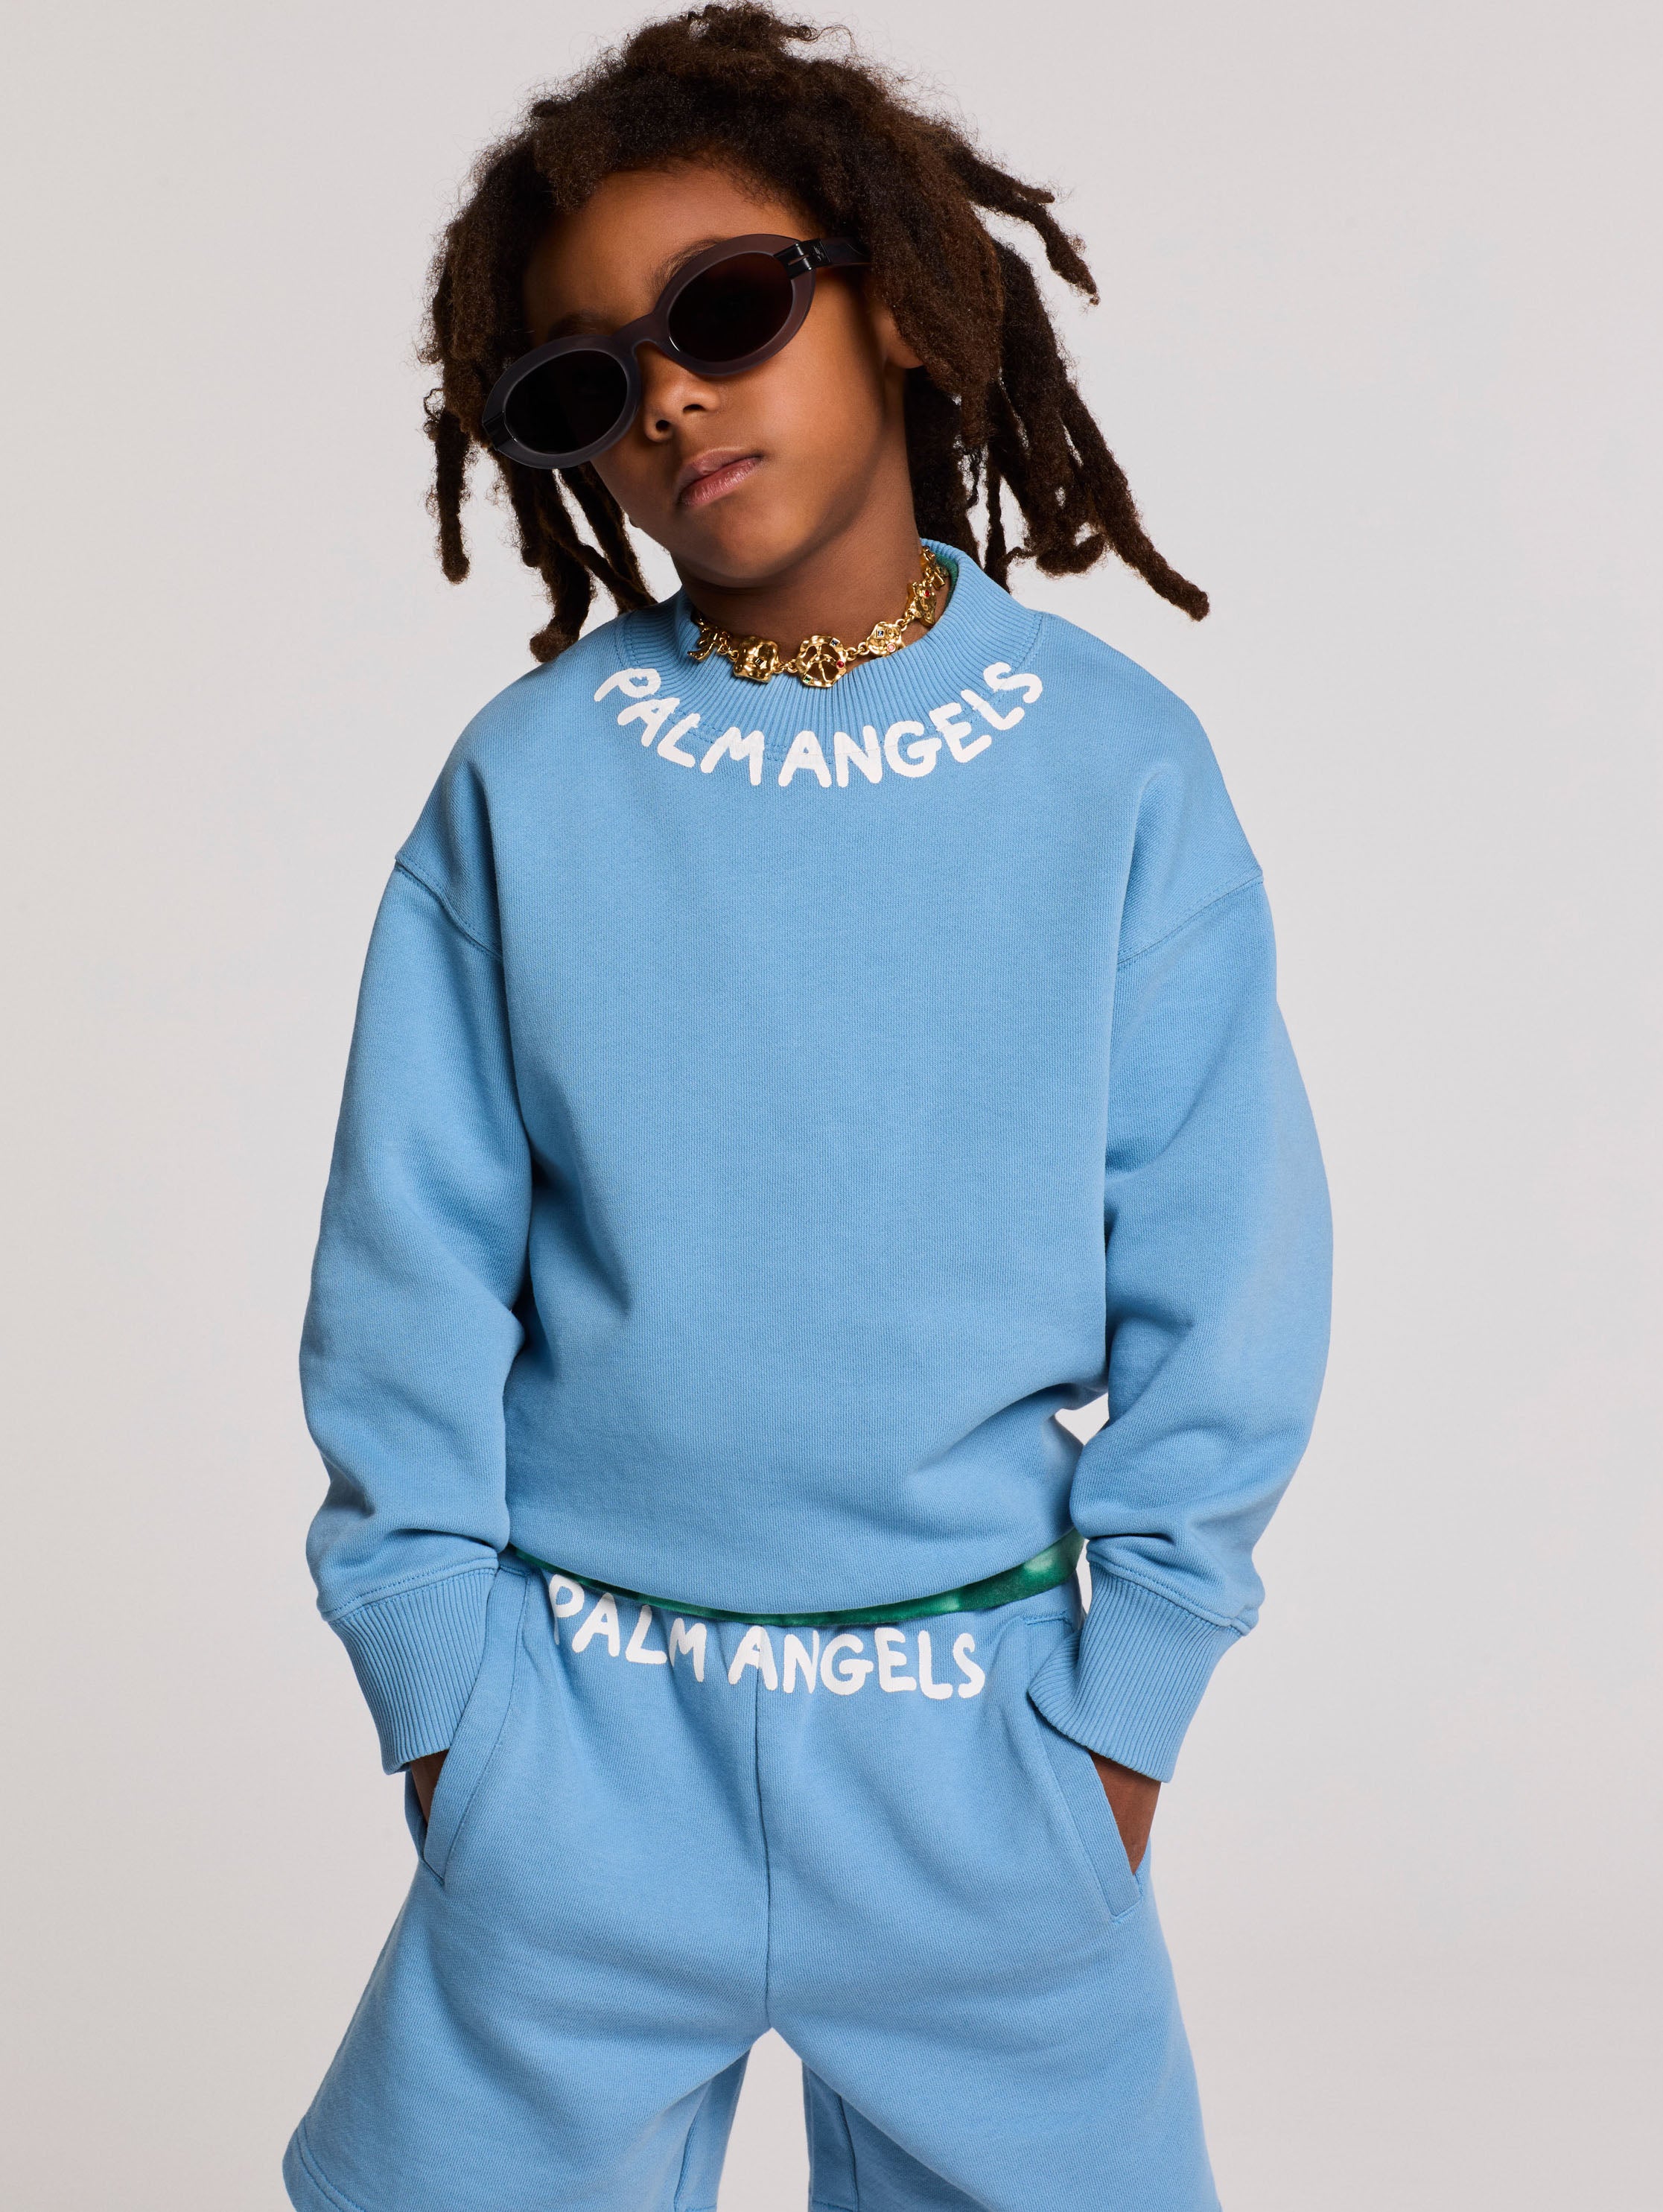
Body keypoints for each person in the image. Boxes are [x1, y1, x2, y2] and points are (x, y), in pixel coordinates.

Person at [284, 7, 1332, 2208]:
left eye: (727, 307)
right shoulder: (529, 783)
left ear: (899, 300)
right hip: (572, 1738)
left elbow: (1226, 1280)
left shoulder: (1113, 771)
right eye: (587, 382)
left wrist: (1122, 1721)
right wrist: (443, 1706)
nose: (668, 395)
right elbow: (406, 1270)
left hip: (983, 1754)